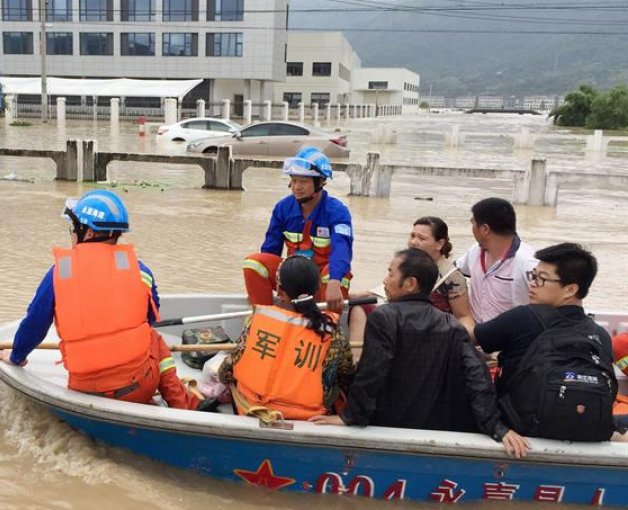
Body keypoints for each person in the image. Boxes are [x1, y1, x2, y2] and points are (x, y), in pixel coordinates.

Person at [0, 189, 207, 411]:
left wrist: (17, 356)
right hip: (140, 387)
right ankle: (183, 404)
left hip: (85, 390)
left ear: (87, 233)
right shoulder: (140, 270)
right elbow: (150, 319)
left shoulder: (59, 273)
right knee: (153, 337)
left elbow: (34, 326)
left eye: (73, 228)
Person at [309, 249, 530, 459]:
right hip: (434, 426)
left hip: (384, 425)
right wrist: (496, 428)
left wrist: (350, 417)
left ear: (410, 284)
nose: (385, 281)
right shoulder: (450, 324)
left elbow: (372, 372)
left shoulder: (384, 317)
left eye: (390, 273)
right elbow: (477, 377)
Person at [474, 243, 616, 440]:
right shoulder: (600, 335)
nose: (531, 283)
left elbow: (473, 337)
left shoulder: (524, 317)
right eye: (532, 275)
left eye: (541, 279)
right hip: (588, 434)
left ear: (570, 289)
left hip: (519, 435)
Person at [219, 256, 355, 420]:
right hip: (305, 419)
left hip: (252, 411)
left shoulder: (258, 321)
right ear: (319, 289)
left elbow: (227, 370)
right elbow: (347, 374)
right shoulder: (331, 332)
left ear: (281, 292)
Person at [242, 146, 353, 312]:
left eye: (304, 181)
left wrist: (335, 282)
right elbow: (270, 251)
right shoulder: (283, 208)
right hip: (293, 276)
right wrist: (279, 284)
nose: (297, 187)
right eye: (294, 181)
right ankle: (262, 318)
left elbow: (342, 251)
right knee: (254, 263)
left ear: (321, 182)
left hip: (324, 281)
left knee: (337, 273)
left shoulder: (337, 212)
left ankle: (328, 326)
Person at [347, 216, 474, 347]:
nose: (413, 242)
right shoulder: (405, 264)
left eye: (421, 238)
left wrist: (465, 336)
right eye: (412, 236)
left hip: (428, 331)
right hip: (400, 320)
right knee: (359, 309)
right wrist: (357, 295)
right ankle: (357, 363)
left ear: (440, 244)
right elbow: (387, 288)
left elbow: (463, 316)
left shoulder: (452, 277)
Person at [456, 197, 536, 325]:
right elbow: (453, 271)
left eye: (473, 223)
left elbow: (548, 304)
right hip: (476, 333)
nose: (472, 229)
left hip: (511, 338)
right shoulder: (475, 251)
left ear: (485, 229)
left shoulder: (528, 262)